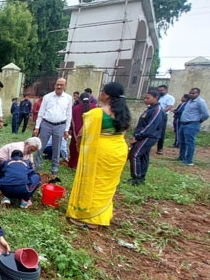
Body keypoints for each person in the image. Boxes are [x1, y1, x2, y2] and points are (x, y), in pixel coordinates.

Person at [66, 82, 131, 228]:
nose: (100, 93)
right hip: (119, 151)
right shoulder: (124, 113)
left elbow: (82, 134)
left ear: (107, 95)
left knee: (93, 181)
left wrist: (79, 146)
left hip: (101, 152)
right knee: (106, 185)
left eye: (102, 91)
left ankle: (85, 216)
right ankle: (99, 217)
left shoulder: (97, 113)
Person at [34, 78, 73, 181]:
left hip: (60, 126)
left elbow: (69, 114)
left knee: (57, 148)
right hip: (46, 124)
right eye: (57, 84)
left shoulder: (68, 98)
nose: (59, 86)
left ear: (65, 86)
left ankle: (54, 170)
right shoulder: (47, 97)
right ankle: (37, 167)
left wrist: (66, 129)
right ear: (55, 85)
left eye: (61, 85)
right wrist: (37, 127)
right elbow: (41, 112)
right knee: (40, 146)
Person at [127, 90, 164, 185]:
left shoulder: (157, 110)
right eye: (144, 98)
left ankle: (136, 178)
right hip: (144, 135)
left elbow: (151, 126)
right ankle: (141, 177)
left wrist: (138, 137)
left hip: (148, 136)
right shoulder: (150, 108)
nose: (145, 100)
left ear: (156, 98)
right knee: (143, 156)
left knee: (134, 155)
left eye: (148, 98)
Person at [178, 87, 210, 166]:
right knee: (182, 141)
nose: (191, 94)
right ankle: (181, 157)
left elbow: (206, 114)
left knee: (189, 143)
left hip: (192, 124)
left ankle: (189, 160)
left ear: (198, 94)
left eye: (193, 93)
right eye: (190, 93)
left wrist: (200, 120)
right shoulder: (189, 101)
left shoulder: (200, 102)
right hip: (183, 124)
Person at [68, 92, 96, 170]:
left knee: (74, 148)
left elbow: (72, 121)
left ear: (80, 100)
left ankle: (73, 164)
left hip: (76, 133)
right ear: (90, 99)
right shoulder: (94, 108)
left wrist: (70, 129)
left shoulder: (75, 108)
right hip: (89, 132)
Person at [156, 85, 175, 155]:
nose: (160, 92)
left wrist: (159, 112)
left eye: (162, 90)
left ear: (166, 90)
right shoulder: (157, 97)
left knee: (161, 132)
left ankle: (160, 148)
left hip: (162, 115)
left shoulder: (170, 98)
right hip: (154, 115)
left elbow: (169, 107)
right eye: (159, 90)